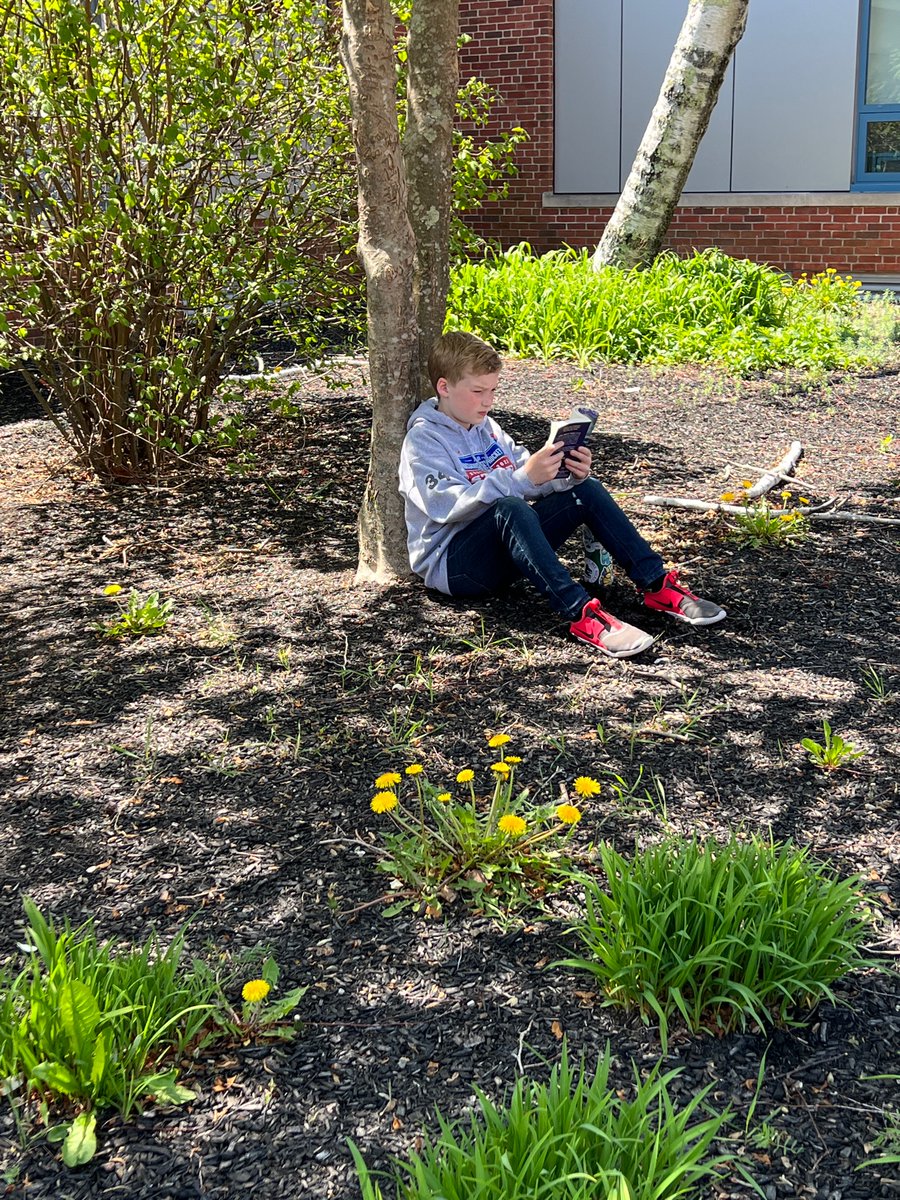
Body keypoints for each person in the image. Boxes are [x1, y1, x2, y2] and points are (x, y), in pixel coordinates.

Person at [398, 331, 725, 659]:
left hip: (504, 555)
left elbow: (526, 476)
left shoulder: (487, 428)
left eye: (493, 390)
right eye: (478, 391)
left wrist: (563, 474)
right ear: (444, 387)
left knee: (585, 490)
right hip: (455, 567)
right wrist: (523, 479)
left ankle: (657, 585)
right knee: (510, 507)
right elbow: (448, 505)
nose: (488, 401)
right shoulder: (424, 439)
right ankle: (582, 614)